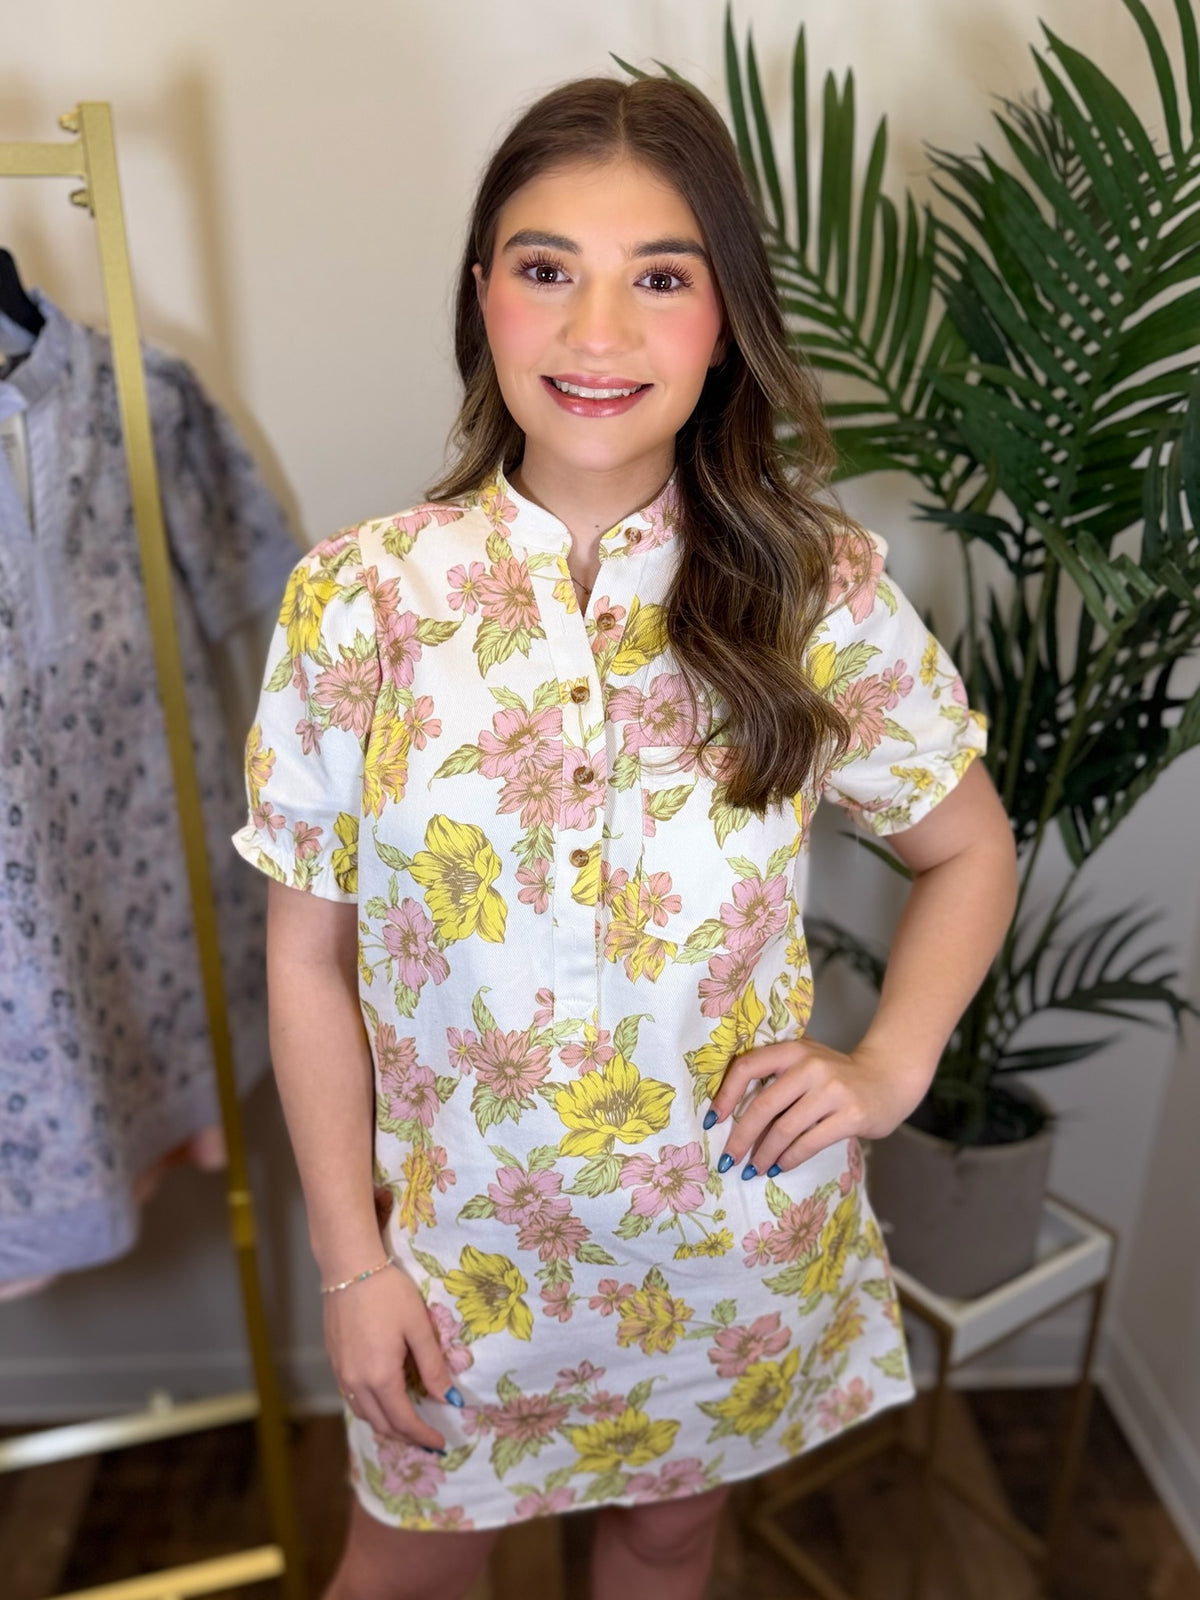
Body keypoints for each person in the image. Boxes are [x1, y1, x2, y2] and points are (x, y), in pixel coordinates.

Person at [234, 73, 1017, 1600]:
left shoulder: (820, 588)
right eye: (548, 272)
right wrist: (352, 1261)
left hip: (728, 1249)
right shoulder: (360, 600)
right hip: (452, 1258)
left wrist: (889, 1065)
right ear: (486, 301)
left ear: (726, 317)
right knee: (403, 1570)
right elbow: (308, 962)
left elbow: (968, 849)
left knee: (667, 1541)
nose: (599, 336)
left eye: (661, 278)